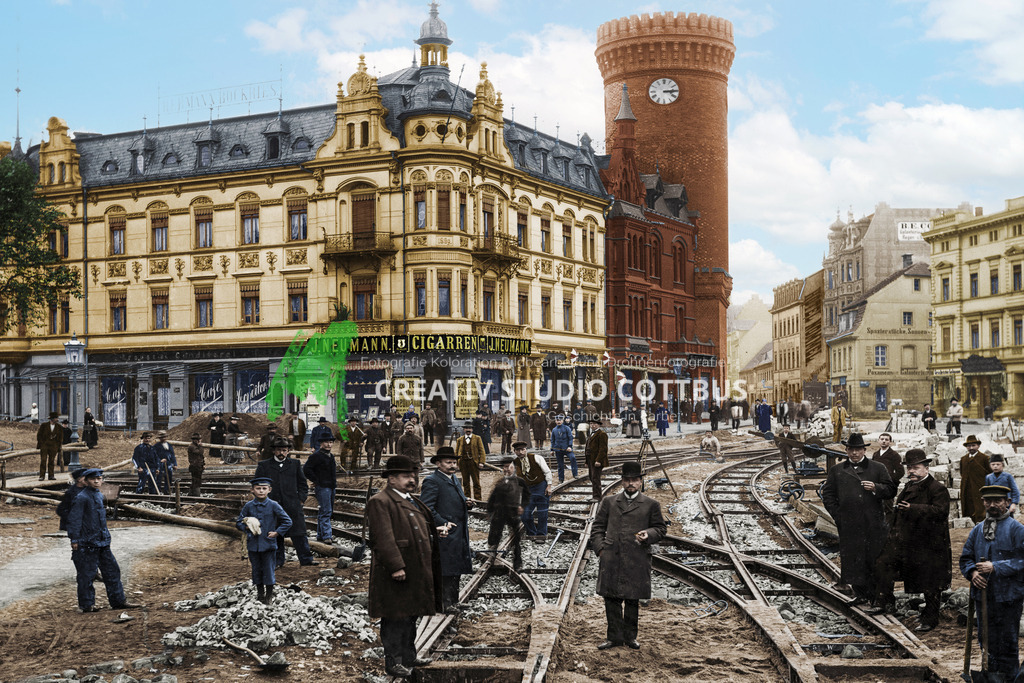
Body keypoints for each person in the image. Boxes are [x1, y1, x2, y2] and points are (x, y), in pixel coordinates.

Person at [367, 455, 442, 678]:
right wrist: (396, 566)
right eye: (406, 476)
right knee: (394, 618)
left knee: (411, 615)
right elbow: (383, 538)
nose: (412, 480)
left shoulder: (409, 499)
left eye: (413, 475)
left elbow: (412, 528)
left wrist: (434, 532)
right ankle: (394, 661)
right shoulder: (381, 501)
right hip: (397, 572)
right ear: (391, 479)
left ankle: (409, 656)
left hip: (414, 569)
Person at [870, 449, 951, 630]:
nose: (911, 472)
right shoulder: (909, 486)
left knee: (930, 582)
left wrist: (913, 508)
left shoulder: (937, 488)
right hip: (906, 541)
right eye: (908, 468)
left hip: (929, 543)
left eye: (915, 468)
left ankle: (930, 619)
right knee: (883, 563)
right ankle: (885, 602)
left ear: (926, 468)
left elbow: (941, 512)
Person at [592, 461, 667, 650]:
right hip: (612, 557)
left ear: (640, 482)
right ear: (622, 482)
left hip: (637, 557)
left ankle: (630, 637)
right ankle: (614, 638)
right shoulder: (609, 502)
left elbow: (660, 529)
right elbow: (598, 528)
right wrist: (601, 549)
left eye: (634, 480)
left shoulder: (651, 504)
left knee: (633, 599)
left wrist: (648, 535)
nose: (631, 483)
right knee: (611, 598)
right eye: (627, 480)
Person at [820, 433, 896, 605]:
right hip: (849, 524)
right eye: (851, 449)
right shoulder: (837, 471)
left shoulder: (877, 468)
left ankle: (877, 597)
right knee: (853, 559)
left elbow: (891, 490)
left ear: (864, 450)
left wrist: (876, 487)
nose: (855, 453)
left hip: (873, 523)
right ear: (846, 450)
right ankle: (861, 594)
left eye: (858, 449)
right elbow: (828, 495)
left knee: (874, 559)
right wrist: (838, 516)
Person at [959, 485, 1024, 679]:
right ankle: (991, 676)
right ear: (983, 503)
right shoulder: (978, 529)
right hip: (983, 596)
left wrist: (995, 567)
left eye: (997, 501)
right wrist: (972, 573)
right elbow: (966, 558)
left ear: (1006, 503)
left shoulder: (1017, 529)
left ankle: (1010, 678)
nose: (992, 505)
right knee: (986, 640)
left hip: (1008, 596)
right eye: (988, 501)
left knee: (1007, 641)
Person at [66, 469, 139, 613]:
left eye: (99, 479)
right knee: (87, 575)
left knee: (112, 572)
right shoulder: (82, 498)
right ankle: (87, 605)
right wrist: (74, 539)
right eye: (93, 479)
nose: (97, 481)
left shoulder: (98, 495)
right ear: (86, 481)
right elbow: (74, 520)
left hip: (102, 542)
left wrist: (105, 537)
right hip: (87, 543)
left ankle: (118, 601)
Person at [419, 446, 473, 613]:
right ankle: (444, 603)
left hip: (458, 531)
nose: (452, 465)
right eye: (448, 462)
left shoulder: (453, 478)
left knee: (456, 566)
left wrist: (466, 503)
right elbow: (426, 507)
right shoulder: (432, 481)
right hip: (444, 532)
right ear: (438, 464)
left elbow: (453, 500)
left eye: (454, 462)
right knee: (445, 568)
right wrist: (443, 522)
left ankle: (454, 601)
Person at [256, 436, 317, 567]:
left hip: (293, 506)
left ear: (288, 451)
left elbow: (302, 484)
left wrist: (301, 499)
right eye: (278, 450)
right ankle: (278, 561)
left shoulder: (294, 464)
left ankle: (306, 559)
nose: (281, 453)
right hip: (272, 507)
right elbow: (258, 485)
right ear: (274, 451)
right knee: (275, 534)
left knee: (299, 532)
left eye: (284, 450)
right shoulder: (264, 465)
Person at [236, 476, 293, 605]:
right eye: (258, 488)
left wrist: (277, 533)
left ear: (269, 490)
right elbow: (238, 522)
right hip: (253, 545)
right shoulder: (249, 506)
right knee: (256, 570)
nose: (261, 491)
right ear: (252, 490)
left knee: (268, 569)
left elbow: (287, 521)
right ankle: (260, 594)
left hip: (268, 545)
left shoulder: (273, 505)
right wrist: (246, 526)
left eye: (264, 488)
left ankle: (269, 596)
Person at [487, 455, 529, 571]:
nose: (506, 469)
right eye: (504, 467)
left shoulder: (520, 481)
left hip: (513, 512)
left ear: (514, 467)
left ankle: (518, 563)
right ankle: (492, 555)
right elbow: (492, 498)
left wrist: (522, 506)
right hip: (499, 513)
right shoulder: (500, 482)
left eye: (509, 467)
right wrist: (490, 511)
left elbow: (527, 496)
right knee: (495, 534)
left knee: (516, 540)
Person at [303, 433, 337, 544]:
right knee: (326, 511)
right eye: (326, 442)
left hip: (331, 487)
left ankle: (320, 535)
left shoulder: (331, 456)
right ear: (321, 443)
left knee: (325, 510)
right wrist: (317, 481)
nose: (329, 444)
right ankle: (327, 536)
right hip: (323, 487)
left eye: (331, 442)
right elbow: (306, 469)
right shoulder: (316, 456)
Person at [513, 442, 552, 538]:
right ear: (515, 452)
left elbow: (547, 472)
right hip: (527, 490)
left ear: (526, 450)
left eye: (522, 450)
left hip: (541, 487)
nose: (521, 452)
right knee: (524, 515)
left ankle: (541, 535)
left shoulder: (536, 458)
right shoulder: (514, 463)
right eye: (518, 450)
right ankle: (532, 533)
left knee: (542, 513)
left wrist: (549, 486)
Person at [871, 432, 904, 521]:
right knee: (875, 507)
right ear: (878, 441)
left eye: (886, 440)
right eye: (882, 439)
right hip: (876, 486)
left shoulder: (894, 455)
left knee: (888, 509)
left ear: (890, 442)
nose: (884, 441)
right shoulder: (876, 454)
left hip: (888, 487)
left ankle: (889, 531)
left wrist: (890, 481)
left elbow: (901, 472)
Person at [961, 434, 992, 523]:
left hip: (980, 491)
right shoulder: (963, 459)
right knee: (969, 512)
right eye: (969, 446)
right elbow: (962, 474)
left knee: (980, 513)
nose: (971, 448)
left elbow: (990, 474)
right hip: (967, 491)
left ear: (978, 446)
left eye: (973, 445)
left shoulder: (984, 458)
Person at [454, 421, 485, 500]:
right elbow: (456, 452)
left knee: (476, 483)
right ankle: (467, 500)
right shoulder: (460, 440)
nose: (468, 430)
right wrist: (456, 463)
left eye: (470, 428)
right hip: (463, 463)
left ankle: (478, 500)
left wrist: (481, 462)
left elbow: (482, 451)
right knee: (465, 483)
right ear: (464, 430)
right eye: (466, 428)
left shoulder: (477, 438)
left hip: (473, 463)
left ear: (472, 429)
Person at [585, 416, 608, 501]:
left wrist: (598, 460)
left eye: (594, 423)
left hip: (597, 460)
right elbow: (587, 448)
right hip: (591, 459)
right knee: (592, 477)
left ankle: (597, 497)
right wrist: (586, 461)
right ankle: (596, 495)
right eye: (591, 423)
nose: (592, 425)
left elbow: (603, 449)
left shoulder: (602, 434)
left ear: (598, 425)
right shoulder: (591, 434)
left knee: (595, 478)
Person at [37, 411, 64, 481]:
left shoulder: (59, 427)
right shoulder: (44, 425)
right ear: (52, 419)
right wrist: (42, 444)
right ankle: (42, 476)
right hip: (45, 446)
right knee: (43, 460)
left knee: (51, 461)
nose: (57, 419)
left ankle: (51, 475)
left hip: (53, 446)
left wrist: (58, 446)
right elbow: (39, 435)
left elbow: (60, 438)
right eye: (56, 418)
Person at [550, 413, 577, 483]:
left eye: (560, 420)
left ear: (562, 420)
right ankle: (561, 479)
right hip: (558, 449)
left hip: (567, 448)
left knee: (573, 458)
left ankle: (575, 474)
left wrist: (570, 446)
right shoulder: (554, 430)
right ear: (555, 421)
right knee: (560, 464)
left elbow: (570, 438)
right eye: (557, 420)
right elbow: (552, 440)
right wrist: (552, 450)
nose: (559, 421)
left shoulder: (567, 428)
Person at [186, 432, 205, 497]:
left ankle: (191, 494)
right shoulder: (192, 447)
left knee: (195, 481)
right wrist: (200, 446)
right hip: (195, 466)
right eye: (199, 440)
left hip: (198, 466)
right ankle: (196, 494)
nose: (200, 441)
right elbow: (200, 452)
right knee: (196, 481)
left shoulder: (194, 446)